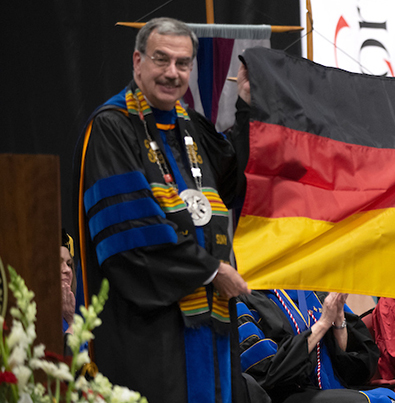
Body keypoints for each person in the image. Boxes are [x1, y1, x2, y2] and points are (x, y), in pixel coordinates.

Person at [73, 17, 251, 403]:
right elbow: (130, 239)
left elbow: (236, 182)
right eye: (161, 59)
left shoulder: (191, 128)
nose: (172, 73)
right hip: (150, 333)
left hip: (210, 327)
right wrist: (211, 270)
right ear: (137, 61)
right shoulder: (111, 129)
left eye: (182, 63)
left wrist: (248, 111)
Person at [235, 290, 395, 403]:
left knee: (389, 397)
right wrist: (322, 324)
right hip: (285, 395)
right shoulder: (243, 299)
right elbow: (267, 374)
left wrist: (337, 318)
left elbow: (354, 368)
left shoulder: (315, 291)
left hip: (333, 389)